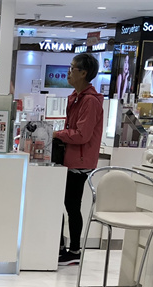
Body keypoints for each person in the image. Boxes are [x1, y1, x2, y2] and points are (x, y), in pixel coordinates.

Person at [54, 53, 103, 267]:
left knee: (71, 205)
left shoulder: (89, 101)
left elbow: (82, 134)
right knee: (65, 203)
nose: (68, 72)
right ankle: (62, 248)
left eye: (72, 68)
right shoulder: (76, 97)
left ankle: (74, 250)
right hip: (72, 159)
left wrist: (58, 134)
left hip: (80, 162)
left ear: (83, 73)